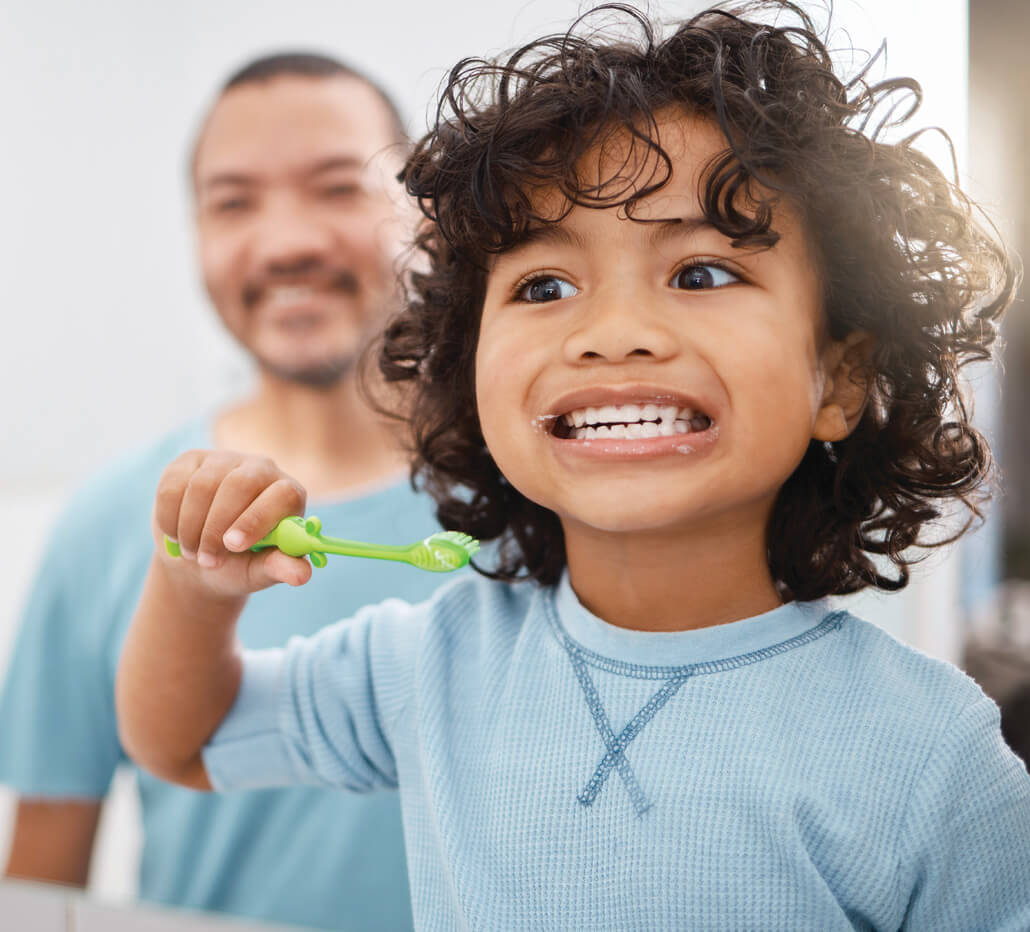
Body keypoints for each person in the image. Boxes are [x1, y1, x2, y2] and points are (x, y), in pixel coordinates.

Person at [116, 4, 1030, 930]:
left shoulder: (932, 756)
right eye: (543, 287)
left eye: (703, 272)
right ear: (470, 371)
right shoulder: (433, 663)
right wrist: (195, 587)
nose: (613, 335)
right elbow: (184, 741)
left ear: (838, 377)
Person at [0, 52, 446, 931]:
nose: (286, 242)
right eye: (234, 202)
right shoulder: (109, 525)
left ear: (424, 214)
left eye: (336, 187)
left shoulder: (547, 501)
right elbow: (39, 884)